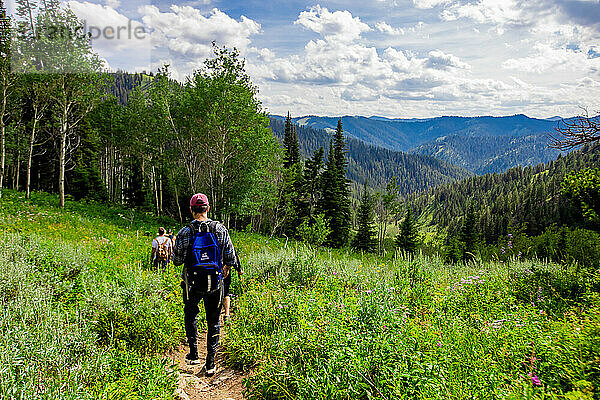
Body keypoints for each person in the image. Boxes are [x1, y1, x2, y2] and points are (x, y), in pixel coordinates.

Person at [172, 193, 237, 376]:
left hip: (192, 283)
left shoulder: (185, 232)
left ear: (192, 210)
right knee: (213, 321)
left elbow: (177, 261)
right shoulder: (220, 229)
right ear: (207, 209)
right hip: (215, 283)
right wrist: (225, 267)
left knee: (191, 314)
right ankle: (210, 363)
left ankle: (193, 354)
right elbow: (231, 257)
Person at [222, 254, 243, 324]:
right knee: (226, 292)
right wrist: (238, 269)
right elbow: (232, 255)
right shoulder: (224, 242)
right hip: (224, 270)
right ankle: (227, 314)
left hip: (207, 271)